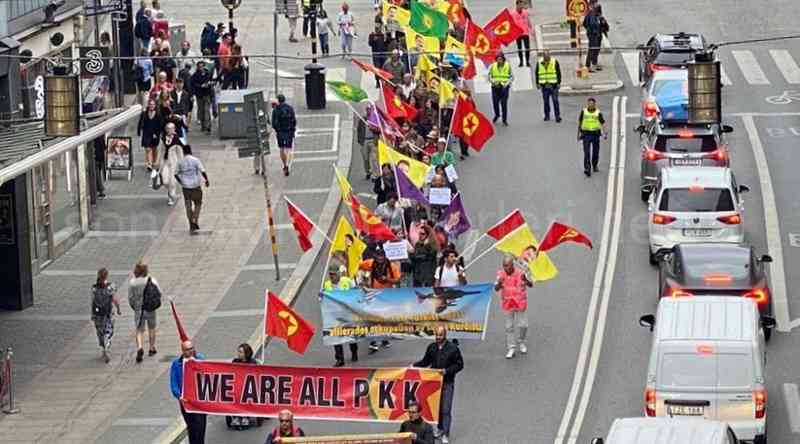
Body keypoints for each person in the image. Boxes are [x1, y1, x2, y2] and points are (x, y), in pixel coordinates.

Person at [412, 325, 463, 444]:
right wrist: (413, 366)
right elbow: (425, 362)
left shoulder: (453, 349)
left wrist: (447, 371)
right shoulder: (431, 347)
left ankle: (446, 434)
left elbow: (460, 365)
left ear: (445, 335)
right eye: (436, 335)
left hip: (447, 383)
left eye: (440, 335)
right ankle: (440, 429)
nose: (438, 337)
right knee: (437, 408)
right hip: (434, 384)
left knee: (446, 408)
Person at [359, 249, 400, 353]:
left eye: (382, 257)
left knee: (384, 319)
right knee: (373, 318)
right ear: (375, 257)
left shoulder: (392, 266)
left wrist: (387, 279)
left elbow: (397, 280)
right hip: (374, 295)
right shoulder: (370, 263)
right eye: (378, 257)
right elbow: (358, 265)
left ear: (385, 256)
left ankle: (384, 339)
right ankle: (373, 342)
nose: (380, 259)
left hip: (387, 296)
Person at [495, 255, 533, 359]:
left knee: (524, 325)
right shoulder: (500, 274)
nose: (505, 268)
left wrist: (526, 280)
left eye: (507, 266)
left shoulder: (521, 273)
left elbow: (531, 284)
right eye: (504, 266)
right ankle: (511, 347)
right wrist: (499, 282)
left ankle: (521, 341)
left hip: (520, 303)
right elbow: (496, 288)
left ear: (512, 265)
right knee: (509, 327)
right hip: (508, 304)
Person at [170, 341, 207, 444]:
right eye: (187, 349)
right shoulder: (176, 364)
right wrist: (179, 396)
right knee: (191, 428)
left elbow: (207, 374)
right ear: (182, 351)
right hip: (186, 403)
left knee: (200, 428)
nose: (190, 351)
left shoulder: (200, 359)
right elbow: (174, 383)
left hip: (199, 401)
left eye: (192, 348)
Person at [323, 266, 359, 367]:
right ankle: (340, 359)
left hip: (348, 314)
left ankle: (354, 353)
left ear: (339, 274)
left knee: (351, 335)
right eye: (330, 274)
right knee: (336, 337)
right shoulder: (327, 285)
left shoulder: (347, 281)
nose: (331, 277)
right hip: (334, 316)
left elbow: (356, 292)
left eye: (333, 274)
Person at [128, 262, 161, 363]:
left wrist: (134, 307)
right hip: (150, 308)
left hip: (139, 309)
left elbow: (130, 298)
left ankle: (140, 347)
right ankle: (151, 348)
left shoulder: (132, 282)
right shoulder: (151, 280)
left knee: (139, 330)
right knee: (152, 328)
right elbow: (159, 292)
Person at [175, 144, 210, 234]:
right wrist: (206, 180)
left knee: (188, 205)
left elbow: (175, 174)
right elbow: (202, 171)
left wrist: (181, 182)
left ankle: (191, 224)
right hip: (195, 185)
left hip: (186, 187)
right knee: (198, 203)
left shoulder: (180, 162)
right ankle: (195, 218)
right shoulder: (195, 160)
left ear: (183, 151)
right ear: (190, 151)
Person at [91, 268, 121, 363]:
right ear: (106, 276)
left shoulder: (94, 288)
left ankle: (103, 347)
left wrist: (92, 314)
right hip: (108, 313)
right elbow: (115, 300)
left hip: (97, 314)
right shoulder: (110, 287)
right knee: (108, 330)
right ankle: (106, 344)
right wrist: (118, 309)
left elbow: (92, 301)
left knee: (100, 331)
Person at [228, 343, 259, 429]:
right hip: (237, 384)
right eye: (238, 352)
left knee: (247, 394)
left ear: (246, 353)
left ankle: (245, 415)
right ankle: (236, 416)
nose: (238, 354)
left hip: (249, 386)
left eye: (241, 352)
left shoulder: (253, 363)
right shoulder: (235, 362)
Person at [577, 97, 608, 177]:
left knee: (595, 152)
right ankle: (587, 169)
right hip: (586, 134)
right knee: (586, 152)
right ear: (587, 104)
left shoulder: (598, 113)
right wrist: (578, 135)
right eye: (589, 103)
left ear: (594, 104)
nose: (590, 105)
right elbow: (580, 123)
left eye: (592, 104)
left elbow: (603, 123)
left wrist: (605, 133)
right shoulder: (583, 112)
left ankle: (594, 165)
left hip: (595, 134)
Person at [271, 94, 297, 176]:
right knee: (289, 148)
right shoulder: (290, 108)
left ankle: (284, 164)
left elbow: (273, 123)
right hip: (289, 131)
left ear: (278, 100)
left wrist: (277, 130)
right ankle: (288, 165)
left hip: (280, 132)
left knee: (281, 148)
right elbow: (294, 120)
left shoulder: (276, 110)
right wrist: (292, 128)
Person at [160, 122, 185, 206]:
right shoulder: (163, 138)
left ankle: (171, 196)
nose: (170, 130)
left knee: (172, 181)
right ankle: (170, 190)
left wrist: (181, 164)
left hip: (174, 162)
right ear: (166, 130)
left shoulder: (177, 139)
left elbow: (180, 152)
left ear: (174, 129)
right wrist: (158, 162)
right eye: (168, 128)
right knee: (165, 180)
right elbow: (161, 150)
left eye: (172, 128)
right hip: (166, 161)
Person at [535, 49, 562, 122]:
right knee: (546, 101)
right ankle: (547, 115)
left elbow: (558, 72)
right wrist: (537, 83)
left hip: (554, 85)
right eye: (545, 55)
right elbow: (537, 73)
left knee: (555, 100)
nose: (546, 57)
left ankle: (557, 116)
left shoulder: (554, 61)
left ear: (549, 55)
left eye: (548, 55)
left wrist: (559, 83)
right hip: (544, 85)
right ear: (543, 56)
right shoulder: (539, 62)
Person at [488, 53, 513, 126]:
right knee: (495, 102)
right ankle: (497, 114)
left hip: (504, 88)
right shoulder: (493, 66)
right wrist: (493, 82)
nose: (499, 61)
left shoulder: (508, 66)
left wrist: (506, 84)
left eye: (501, 59)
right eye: (498, 59)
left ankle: (504, 119)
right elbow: (489, 76)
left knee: (504, 104)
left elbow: (511, 77)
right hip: (495, 87)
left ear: (503, 60)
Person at [138, 99, 162, 171]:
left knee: (154, 149)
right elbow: (140, 122)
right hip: (146, 133)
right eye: (150, 104)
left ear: (155, 105)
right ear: (148, 105)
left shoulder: (158, 114)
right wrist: (139, 131)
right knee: (148, 149)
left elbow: (160, 124)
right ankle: (149, 164)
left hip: (155, 133)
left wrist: (159, 133)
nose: (151, 106)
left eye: (153, 104)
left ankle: (154, 162)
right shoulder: (144, 113)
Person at [191, 60, 214, 133]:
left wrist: (209, 84)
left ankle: (208, 126)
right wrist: (201, 86)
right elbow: (193, 85)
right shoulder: (195, 75)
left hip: (207, 94)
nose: (201, 68)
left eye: (202, 66)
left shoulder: (208, 73)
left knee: (207, 110)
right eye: (199, 67)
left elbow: (212, 81)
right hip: (199, 95)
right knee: (201, 110)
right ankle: (203, 126)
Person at [510, 0, 532, 67]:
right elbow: (511, 24)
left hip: (525, 32)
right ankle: (521, 62)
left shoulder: (525, 12)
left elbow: (528, 21)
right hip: (518, 34)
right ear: (517, 5)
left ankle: (527, 62)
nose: (522, 6)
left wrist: (531, 29)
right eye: (520, 5)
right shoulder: (512, 13)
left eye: (522, 5)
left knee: (527, 47)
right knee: (519, 48)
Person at [582, 4, 602, 73]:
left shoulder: (591, 13)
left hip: (595, 35)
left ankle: (594, 64)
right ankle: (588, 66)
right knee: (592, 49)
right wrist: (592, 31)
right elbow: (591, 24)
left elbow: (584, 23)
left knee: (595, 49)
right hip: (593, 35)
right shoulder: (592, 15)